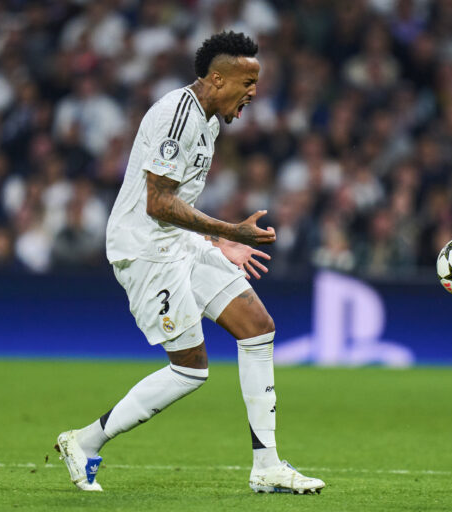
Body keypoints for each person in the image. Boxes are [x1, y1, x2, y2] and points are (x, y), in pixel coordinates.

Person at [55, 31, 325, 495]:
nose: (254, 92)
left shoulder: (211, 121)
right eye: (247, 81)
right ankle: (83, 441)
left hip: (179, 242)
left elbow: (180, 203)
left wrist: (213, 243)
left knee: (258, 326)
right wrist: (229, 232)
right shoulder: (177, 118)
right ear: (216, 78)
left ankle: (268, 466)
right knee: (191, 369)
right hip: (144, 251)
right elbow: (158, 203)